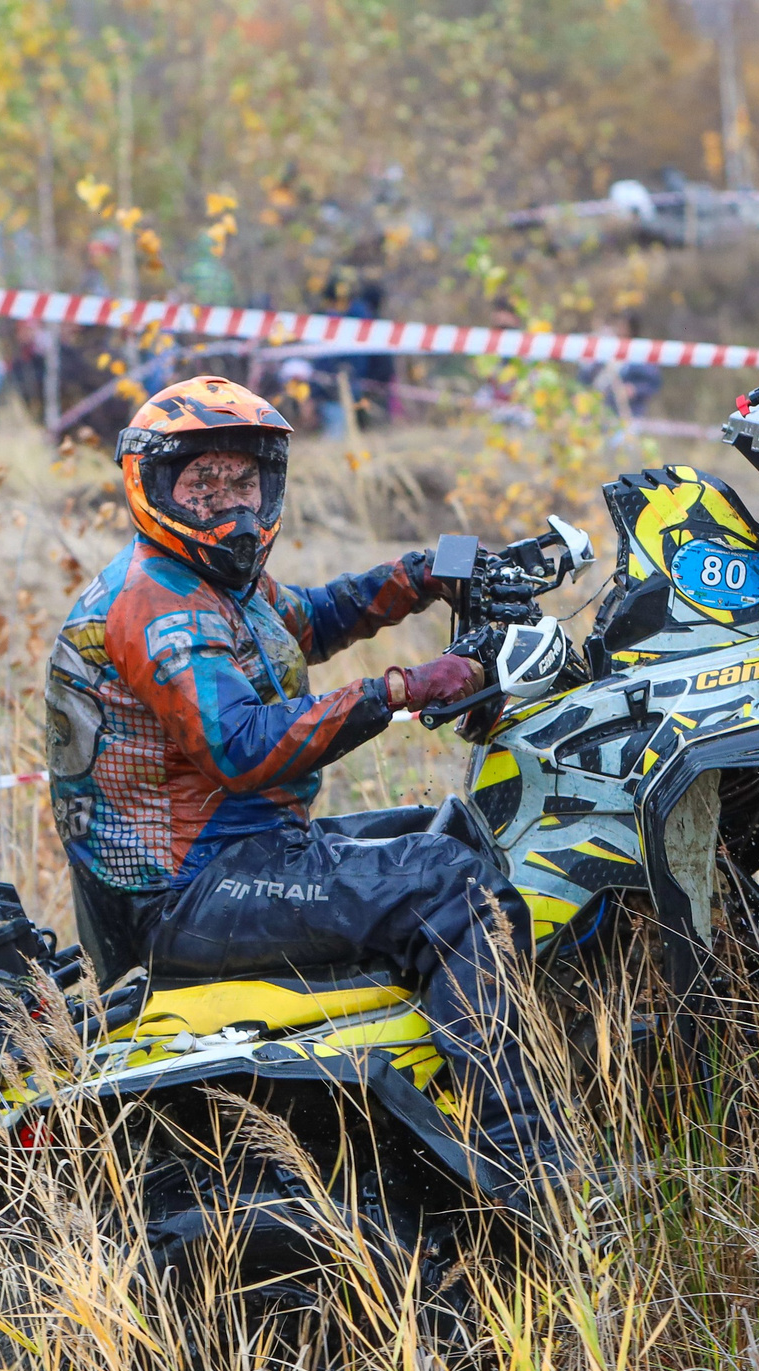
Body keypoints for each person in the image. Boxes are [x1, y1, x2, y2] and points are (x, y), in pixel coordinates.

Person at [43, 376, 573, 1219]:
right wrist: (401, 687)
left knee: (456, 836)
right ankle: (530, 1173)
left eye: (243, 482)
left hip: (227, 858)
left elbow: (313, 621)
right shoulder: (156, 604)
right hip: (186, 895)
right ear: (154, 488)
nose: (231, 506)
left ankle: (438, 1080)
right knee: (450, 886)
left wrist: (416, 575)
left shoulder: (217, 582)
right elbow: (243, 747)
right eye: (202, 485)